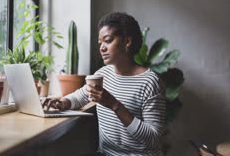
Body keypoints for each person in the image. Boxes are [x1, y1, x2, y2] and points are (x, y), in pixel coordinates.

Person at [43, 12, 166, 155]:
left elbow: (154, 139)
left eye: (108, 41)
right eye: (100, 43)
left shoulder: (150, 82)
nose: (102, 48)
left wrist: (114, 105)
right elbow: (80, 96)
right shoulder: (103, 75)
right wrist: (61, 102)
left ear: (127, 41)